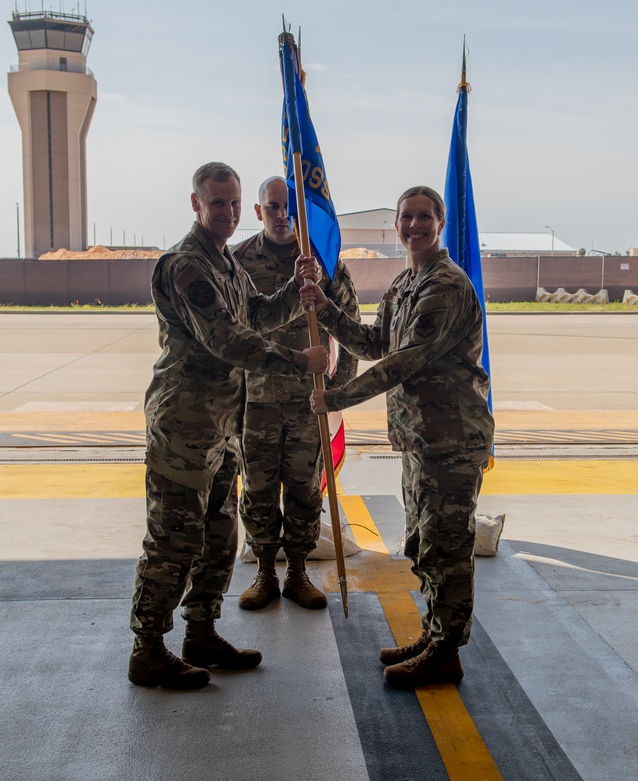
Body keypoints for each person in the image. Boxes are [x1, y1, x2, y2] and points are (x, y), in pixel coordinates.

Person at [129, 162, 327, 690]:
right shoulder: (187, 265)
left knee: (218, 535)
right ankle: (147, 648)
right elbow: (226, 339)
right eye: (219, 203)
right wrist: (296, 361)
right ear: (196, 203)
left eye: (236, 203)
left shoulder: (226, 265)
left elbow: (254, 316)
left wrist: (295, 291)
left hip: (221, 425)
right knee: (174, 538)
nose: (230, 213)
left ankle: (201, 633)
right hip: (184, 425)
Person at [299, 185, 494, 689]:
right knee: (424, 542)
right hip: (421, 438)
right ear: (397, 226)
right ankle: (434, 635)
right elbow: (374, 341)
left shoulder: (443, 285)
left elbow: (405, 360)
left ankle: (446, 651)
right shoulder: (405, 283)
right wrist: (327, 307)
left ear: (440, 222)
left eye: (424, 216)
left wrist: (336, 399)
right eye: (407, 217)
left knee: (446, 546)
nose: (414, 225)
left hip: (450, 439)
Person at [230, 177, 359, 611]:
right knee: (259, 489)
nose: (282, 215)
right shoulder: (239, 260)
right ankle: (266, 572)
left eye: (290, 208)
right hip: (258, 401)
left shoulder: (323, 258)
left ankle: (298, 571)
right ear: (258, 211)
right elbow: (228, 332)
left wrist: (337, 394)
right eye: (273, 207)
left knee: (305, 490)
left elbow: (350, 326)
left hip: (310, 400)